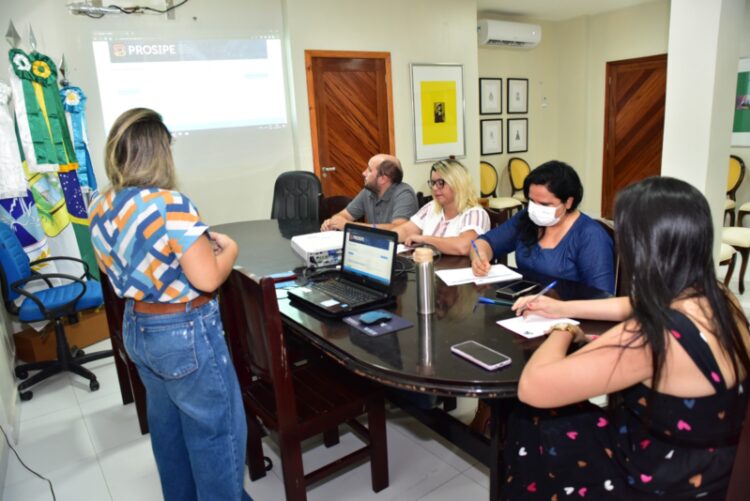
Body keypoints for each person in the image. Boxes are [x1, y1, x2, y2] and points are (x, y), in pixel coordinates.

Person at [500, 176, 750, 499]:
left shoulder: (653, 336)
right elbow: (636, 303)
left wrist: (563, 328)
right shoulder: (721, 298)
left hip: (658, 477)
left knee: (530, 419)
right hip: (708, 462)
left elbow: (533, 387)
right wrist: (560, 305)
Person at [89, 108, 251, 501]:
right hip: (184, 332)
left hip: (138, 327)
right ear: (160, 152)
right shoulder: (171, 204)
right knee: (218, 434)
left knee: (169, 432)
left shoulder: (100, 203)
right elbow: (208, 278)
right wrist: (229, 249)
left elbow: (111, 267)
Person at [470, 160, 615, 293]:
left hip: (570, 316)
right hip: (526, 307)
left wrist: (559, 308)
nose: (536, 209)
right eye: (532, 201)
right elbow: (485, 242)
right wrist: (479, 257)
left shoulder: (591, 236)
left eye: (545, 204)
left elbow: (602, 297)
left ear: (569, 202)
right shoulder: (526, 218)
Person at [395, 158, 490, 255]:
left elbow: (464, 246)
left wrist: (424, 239)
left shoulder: (476, 213)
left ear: (458, 183)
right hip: (432, 267)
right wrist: (382, 237)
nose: (435, 188)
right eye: (433, 183)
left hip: (458, 268)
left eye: (441, 183)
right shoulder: (431, 207)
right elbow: (406, 230)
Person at [320, 154, 418, 231]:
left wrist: (350, 226)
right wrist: (332, 223)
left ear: (383, 179)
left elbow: (399, 229)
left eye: (369, 170)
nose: (364, 173)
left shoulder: (404, 194)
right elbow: (344, 215)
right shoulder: (368, 192)